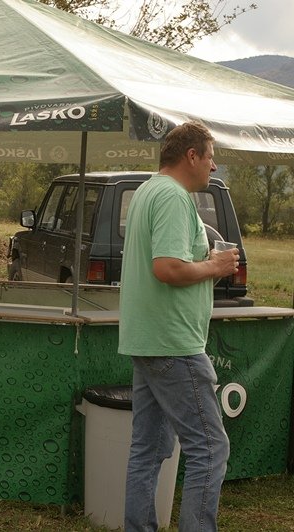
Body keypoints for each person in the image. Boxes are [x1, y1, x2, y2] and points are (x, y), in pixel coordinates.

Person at [118, 121, 238, 532]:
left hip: (147, 339)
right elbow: (167, 268)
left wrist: (205, 267)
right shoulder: (173, 196)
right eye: (210, 157)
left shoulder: (147, 191)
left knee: (148, 450)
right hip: (174, 343)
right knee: (210, 448)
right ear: (191, 156)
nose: (213, 165)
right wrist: (215, 266)